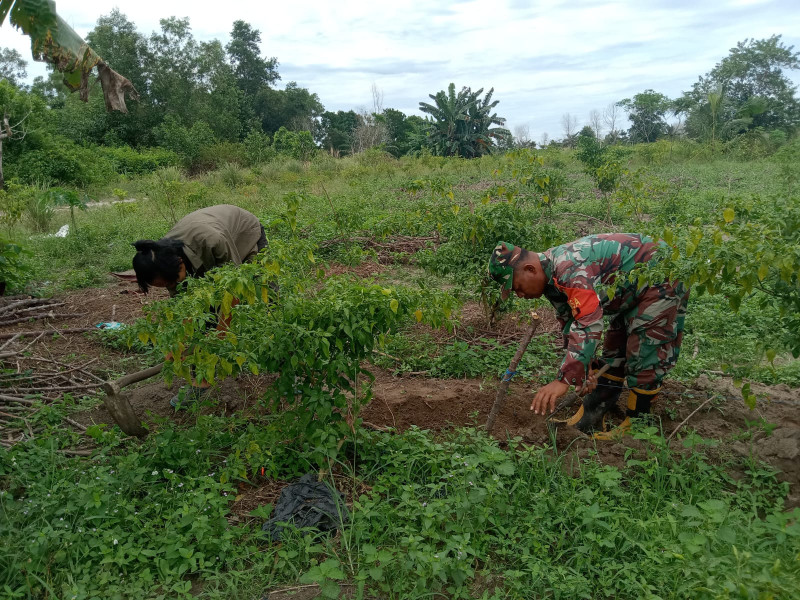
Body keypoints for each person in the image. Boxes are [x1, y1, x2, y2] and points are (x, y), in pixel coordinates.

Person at [487, 234, 689, 440]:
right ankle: (591, 418)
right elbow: (570, 323)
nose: (520, 295)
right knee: (614, 348)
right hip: (629, 289)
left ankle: (638, 425)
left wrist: (564, 380)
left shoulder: (570, 267)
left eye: (518, 287)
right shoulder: (550, 280)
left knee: (646, 348)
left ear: (530, 269)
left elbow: (588, 322)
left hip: (660, 275)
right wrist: (586, 368)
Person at [132, 204, 267, 407]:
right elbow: (186, 310)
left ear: (179, 262)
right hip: (205, 246)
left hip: (243, 234)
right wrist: (178, 346)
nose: (171, 288)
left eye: (171, 283)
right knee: (203, 318)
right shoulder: (159, 258)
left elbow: (233, 292)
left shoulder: (211, 240)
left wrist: (220, 335)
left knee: (267, 297)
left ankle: (286, 368)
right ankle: (201, 382)